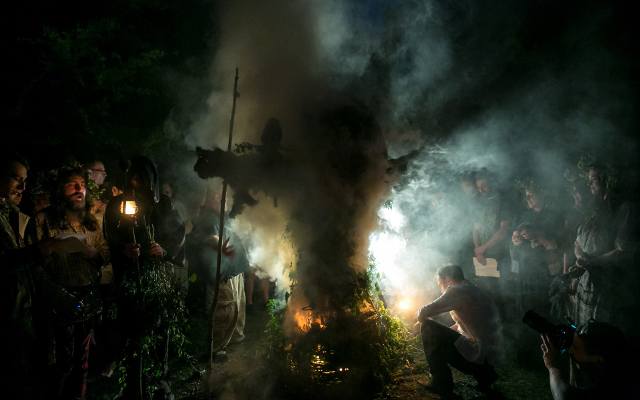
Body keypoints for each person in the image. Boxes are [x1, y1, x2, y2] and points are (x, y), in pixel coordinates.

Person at [25, 167, 109, 399]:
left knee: (82, 360)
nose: (79, 188)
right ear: (60, 190)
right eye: (72, 184)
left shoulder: (91, 224)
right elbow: (31, 263)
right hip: (54, 300)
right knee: (56, 363)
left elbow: (105, 251)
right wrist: (49, 249)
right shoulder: (43, 220)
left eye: (81, 184)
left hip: (86, 298)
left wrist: (94, 254)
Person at [417, 265, 500, 398]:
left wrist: (421, 318)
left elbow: (424, 312)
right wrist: (444, 336)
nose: (440, 288)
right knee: (439, 333)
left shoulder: (457, 291)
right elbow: (465, 324)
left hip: (478, 354)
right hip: (491, 355)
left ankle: (441, 383)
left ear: (448, 279)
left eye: (440, 283)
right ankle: (485, 374)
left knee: (428, 327)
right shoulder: (473, 288)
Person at [540, 320, 633, 399]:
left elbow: (564, 396)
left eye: (576, 347)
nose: (570, 350)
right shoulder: (618, 352)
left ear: (598, 359)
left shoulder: (614, 384)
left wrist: (552, 367)